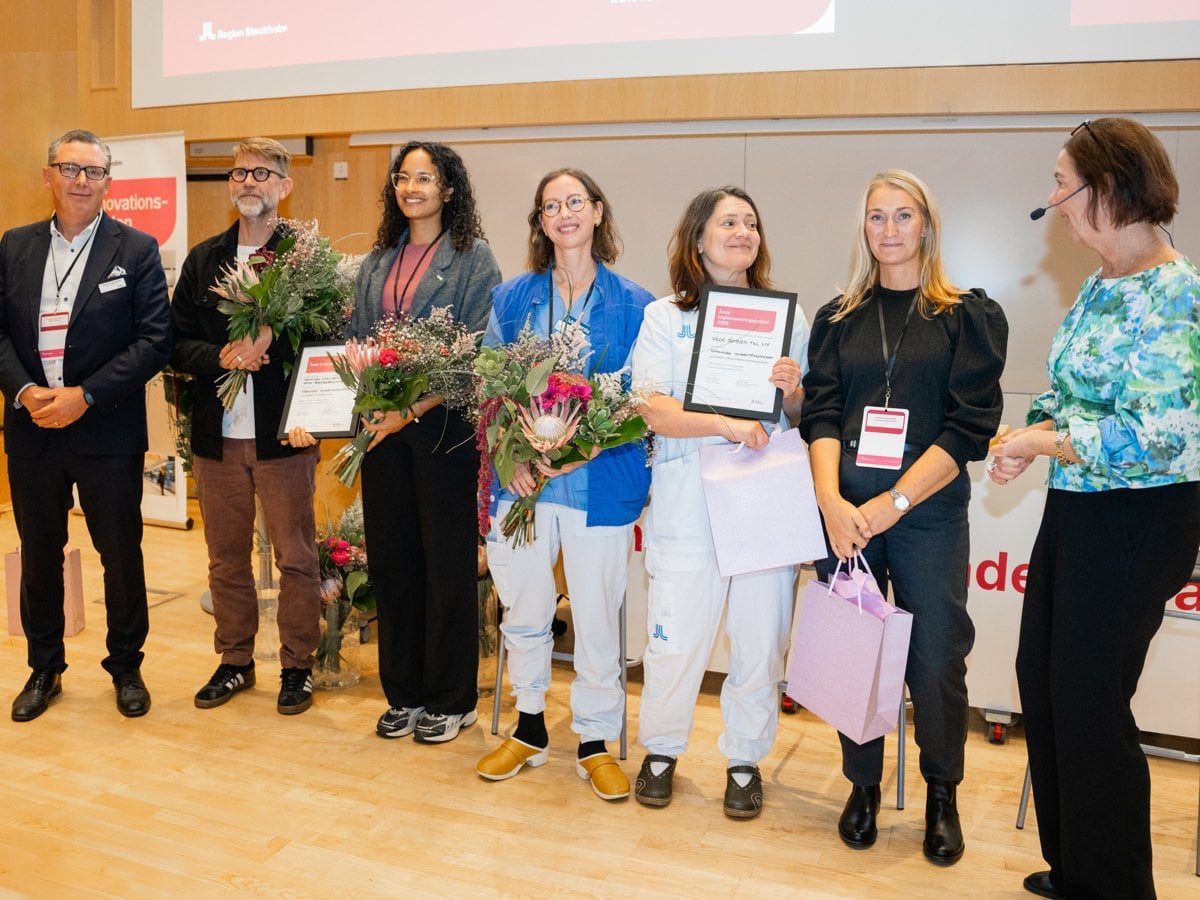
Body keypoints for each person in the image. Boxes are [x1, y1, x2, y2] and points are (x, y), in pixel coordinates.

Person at [989, 118, 1200, 900]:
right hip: (1079, 506)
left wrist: (1043, 442)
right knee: (1043, 680)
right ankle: (1077, 865)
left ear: (1107, 188)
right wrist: (1031, 434)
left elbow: (1157, 433)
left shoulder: (1177, 294)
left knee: (1089, 698)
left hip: (1142, 517)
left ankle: (1115, 887)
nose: (1053, 200)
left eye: (1062, 183)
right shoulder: (1101, 283)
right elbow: (1069, 392)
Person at [800, 169, 1007, 861]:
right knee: (853, 652)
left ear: (927, 225)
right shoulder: (838, 318)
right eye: (876, 216)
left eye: (903, 215)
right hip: (846, 519)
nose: (888, 229)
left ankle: (942, 792)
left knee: (937, 658)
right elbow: (822, 414)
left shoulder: (967, 316)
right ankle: (862, 786)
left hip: (925, 516)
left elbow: (968, 428)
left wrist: (893, 503)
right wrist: (831, 502)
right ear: (863, 227)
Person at [630, 186, 808, 819]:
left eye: (751, 223)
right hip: (687, 497)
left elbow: (800, 414)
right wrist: (724, 425)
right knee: (675, 638)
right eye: (728, 222)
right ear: (698, 238)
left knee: (760, 637)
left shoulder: (788, 319)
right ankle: (661, 751)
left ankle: (744, 760)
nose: (742, 232)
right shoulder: (664, 318)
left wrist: (793, 390)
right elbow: (651, 408)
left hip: (763, 492)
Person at [476, 168, 653, 801]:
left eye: (575, 201)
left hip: (598, 482)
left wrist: (588, 447)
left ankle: (595, 741)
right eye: (551, 206)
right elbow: (490, 387)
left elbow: (643, 398)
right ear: (541, 222)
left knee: (597, 617)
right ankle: (529, 728)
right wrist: (510, 457)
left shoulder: (636, 304)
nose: (564, 214)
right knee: (524, 610)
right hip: (522, 487)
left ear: (598, 211)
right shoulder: (512, 298)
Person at [0, 129, 172, 721]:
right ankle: (44, 667)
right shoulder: (14, 245)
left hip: (107, 429)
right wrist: (25, 391)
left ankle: (126, 667)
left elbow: (155, 340)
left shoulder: (137, 248)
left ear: (108, 182)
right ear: (47, 175)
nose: (80, 180)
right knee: (39, 553)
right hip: (32, 425)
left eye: (93, 171)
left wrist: (87, 395)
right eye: (69, 168)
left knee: (120, 554)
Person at [346, 141, 501, 744]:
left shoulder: (473, 257)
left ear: (449, 189)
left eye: (425, 178)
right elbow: (358, 339)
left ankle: (452, 698)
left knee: (446, 565)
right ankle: (404, 692)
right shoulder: (377, 259)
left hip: (443, 430)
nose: (412, 188)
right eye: (403, 178)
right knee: (393, 563)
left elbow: (478, 349)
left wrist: (409, 408)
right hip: (381, 432)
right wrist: (371, 402)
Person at [172, 137, 324, 716]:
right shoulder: (204, 258)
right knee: (225, 559)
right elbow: (174, 342)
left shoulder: (305, 260)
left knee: (296, 558)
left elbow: (326, 342)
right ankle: (235, 660)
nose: (248, 182)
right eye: (239, 173)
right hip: (217, 440)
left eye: (262, 173)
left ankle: (297, 666)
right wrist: (222, 356)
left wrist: (271, 343)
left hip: (283, 439)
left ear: (285, 185)